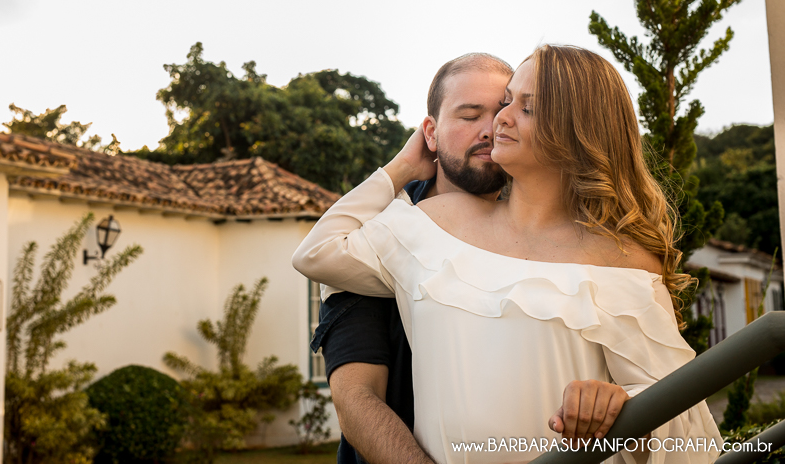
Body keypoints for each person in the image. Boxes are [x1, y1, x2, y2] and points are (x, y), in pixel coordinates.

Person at [294, 45, 722, 464]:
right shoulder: (434, 221)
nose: (500, 118)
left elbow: (688, 431)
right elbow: (316, 255)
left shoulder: (622, 260)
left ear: (579, 131)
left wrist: (623, 406)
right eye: (507, 102)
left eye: (526, 108)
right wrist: (402, 166)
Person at [310, 53, 512, 464]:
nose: (490, 129)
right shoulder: (375, 235)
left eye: (503, 113)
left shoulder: (539, 235)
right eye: (470, 115)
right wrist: (403, 166)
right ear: (431, 134)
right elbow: (357, 400)